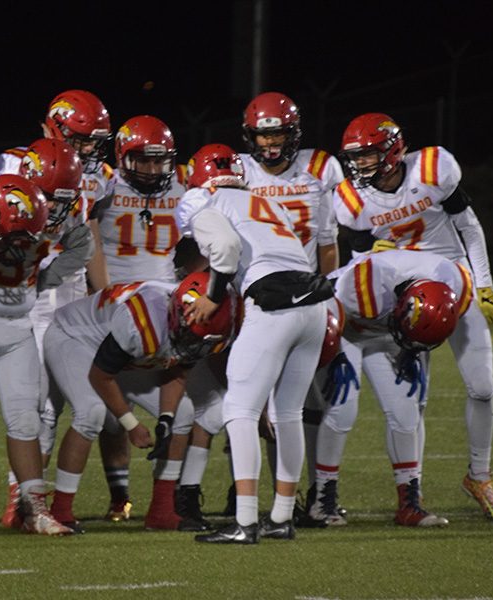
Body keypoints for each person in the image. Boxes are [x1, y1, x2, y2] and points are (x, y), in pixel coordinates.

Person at [334, 113, 493, 523]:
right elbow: (361, 256)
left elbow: (468, 226)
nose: (359, 165)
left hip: (451, 279)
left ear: (393, 151)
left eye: (368, 155)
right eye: (355, 158)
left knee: (483, 387)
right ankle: (412, 496)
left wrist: (484, 284)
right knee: (415, 402)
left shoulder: (433, 170)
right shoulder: (352, 199)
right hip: (405, 293)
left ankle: (479, 476)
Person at [178, 143, 334, 544]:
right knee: (289, 413)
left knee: (240, 409)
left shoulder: (204, 200)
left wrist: (212, 296)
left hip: (273, 300)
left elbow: (225, 251)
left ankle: (245, 521)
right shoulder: (263, 201)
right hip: (314, 304)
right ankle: (282, 517)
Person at [0, 169, 88, 535]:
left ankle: (33, 506)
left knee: (26, 419)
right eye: (50, 196)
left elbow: (84, 244)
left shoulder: (59, 218)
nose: (55, 207)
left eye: (62, 198)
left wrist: (48, 278)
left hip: (18, 323)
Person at [0, 91, 116, 524]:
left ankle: (30, 500)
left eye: (94, 140)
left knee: (60, 402)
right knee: (38, 400)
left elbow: (91, 239)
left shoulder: (99, 174)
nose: (89, 148)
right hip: (33, 289)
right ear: (54, 128)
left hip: (72, 290)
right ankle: (23, 499)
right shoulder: (16, 163)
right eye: (81, 138)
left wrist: (104, 298)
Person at [45, 272, 241, 532]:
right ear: (176, 313)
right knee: (90, 412)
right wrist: (131, 424)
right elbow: (101, 375)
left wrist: (165, 420)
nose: (192, 345)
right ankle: (60, 510)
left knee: (182, 413)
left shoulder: (196, 318)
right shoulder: (142, 319)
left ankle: (161, 511)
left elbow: (177, 369)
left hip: (120, 353)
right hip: (74, 338)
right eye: (190, 336)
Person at [312, 249, 474, 527]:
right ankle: (321, 500)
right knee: (342, 408)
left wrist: (414, 344)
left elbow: (431, 321)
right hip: (346, 325)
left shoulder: (459, 284)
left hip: (391, 329)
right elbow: (328, 309)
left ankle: (409, 504)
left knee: (406, 412)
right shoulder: (365, 283)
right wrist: (334, 353)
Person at [89, 114, 189, 520]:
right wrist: (101, 299)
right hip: (118, 305)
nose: (151, 169)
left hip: (167, 309)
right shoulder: (104, 185)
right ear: (122, 156)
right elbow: (90, 245)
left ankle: (170, 501)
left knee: (182, 410)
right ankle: (119, 497)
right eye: (142, 160)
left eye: (158, 161)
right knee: (105, 414)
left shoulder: (185, 184)